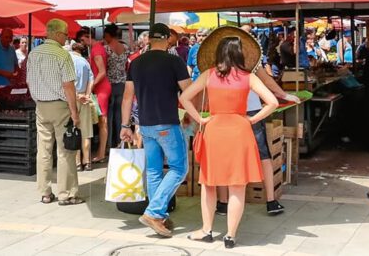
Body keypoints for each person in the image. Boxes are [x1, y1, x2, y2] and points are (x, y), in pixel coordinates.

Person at [179, 29, 279, 249]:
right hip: (240, 131)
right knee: (237, 186)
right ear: (239, 54)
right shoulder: (248, 77)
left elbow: (185, 97)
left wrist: (200, 120)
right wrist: (252, 120)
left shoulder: (209, 75)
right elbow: (272, 102)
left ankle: (206, 230)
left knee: (209, 183)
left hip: (214, 130)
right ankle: (230, 236)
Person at [215, 25, 299, 218]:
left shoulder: (215, 68)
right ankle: (270, 201)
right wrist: (285, 94)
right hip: (251, 112)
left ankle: (222, 203)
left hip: (224, 114)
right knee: (263, 156)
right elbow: (268, 84)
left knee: (224, 157)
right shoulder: (251, 64)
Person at [121, 23, 191, 237]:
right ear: (168, 38)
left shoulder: (136, 63)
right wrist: (191, 113)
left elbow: (127, 97)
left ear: (149, 39)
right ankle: (153, 212)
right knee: (179, 168)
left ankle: (158, 215)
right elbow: (188, 91)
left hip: (145, 124)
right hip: (167, 122)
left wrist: (125, 125)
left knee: (153, 171)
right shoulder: (174, 61)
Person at [26, 18, 82, 205]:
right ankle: (66, 194)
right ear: (58, 34)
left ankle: (45, 192)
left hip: (41, 105)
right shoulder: (62, 55)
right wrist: (74, 112)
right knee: (65, 150)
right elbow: (68, 86)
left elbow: (29, 81)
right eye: (66, 34)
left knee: (43, 150)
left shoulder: (33, 53)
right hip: (60, 106)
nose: (67, 38)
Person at [70, 42, 98, 171]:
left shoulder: (69, 60)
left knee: (74, 131)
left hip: (72, 98)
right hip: (84, 99)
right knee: (86, 132)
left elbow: (66, 83)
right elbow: (91, 80)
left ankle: (77, 163)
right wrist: (87, 95)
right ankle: (87, 162)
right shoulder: (85, 62)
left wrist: (76, 95)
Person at [103, 23, 130, 149]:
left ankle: (109, 143)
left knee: (109, 115)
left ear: (108, 35)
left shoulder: (106, 48)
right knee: (120, 114)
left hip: (109, 83)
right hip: (122, 83)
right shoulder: (125, 47)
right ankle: (120, 142)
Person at [89, 30, 111, 162]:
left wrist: (91, 85)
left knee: (102, 121)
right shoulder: (100, 48)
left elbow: (101, 72)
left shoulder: (96, 50)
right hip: (102, 87)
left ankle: (101, 153)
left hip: (101, 88)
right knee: (102, 121)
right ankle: (100, 151)